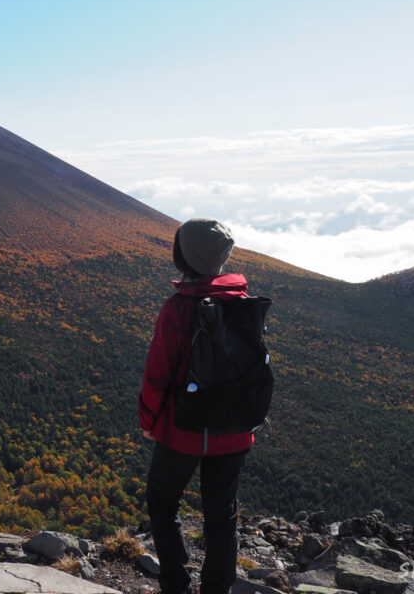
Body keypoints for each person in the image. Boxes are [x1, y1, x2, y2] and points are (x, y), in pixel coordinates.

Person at [138, 217, 254, 594]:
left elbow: (156, 376)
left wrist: (147, 420)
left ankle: (175, 585)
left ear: (182, 258)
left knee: (162, 501)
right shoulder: (244, 304)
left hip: (182, 431)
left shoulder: (177, 309)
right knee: (222, 517)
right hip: (235, 430)